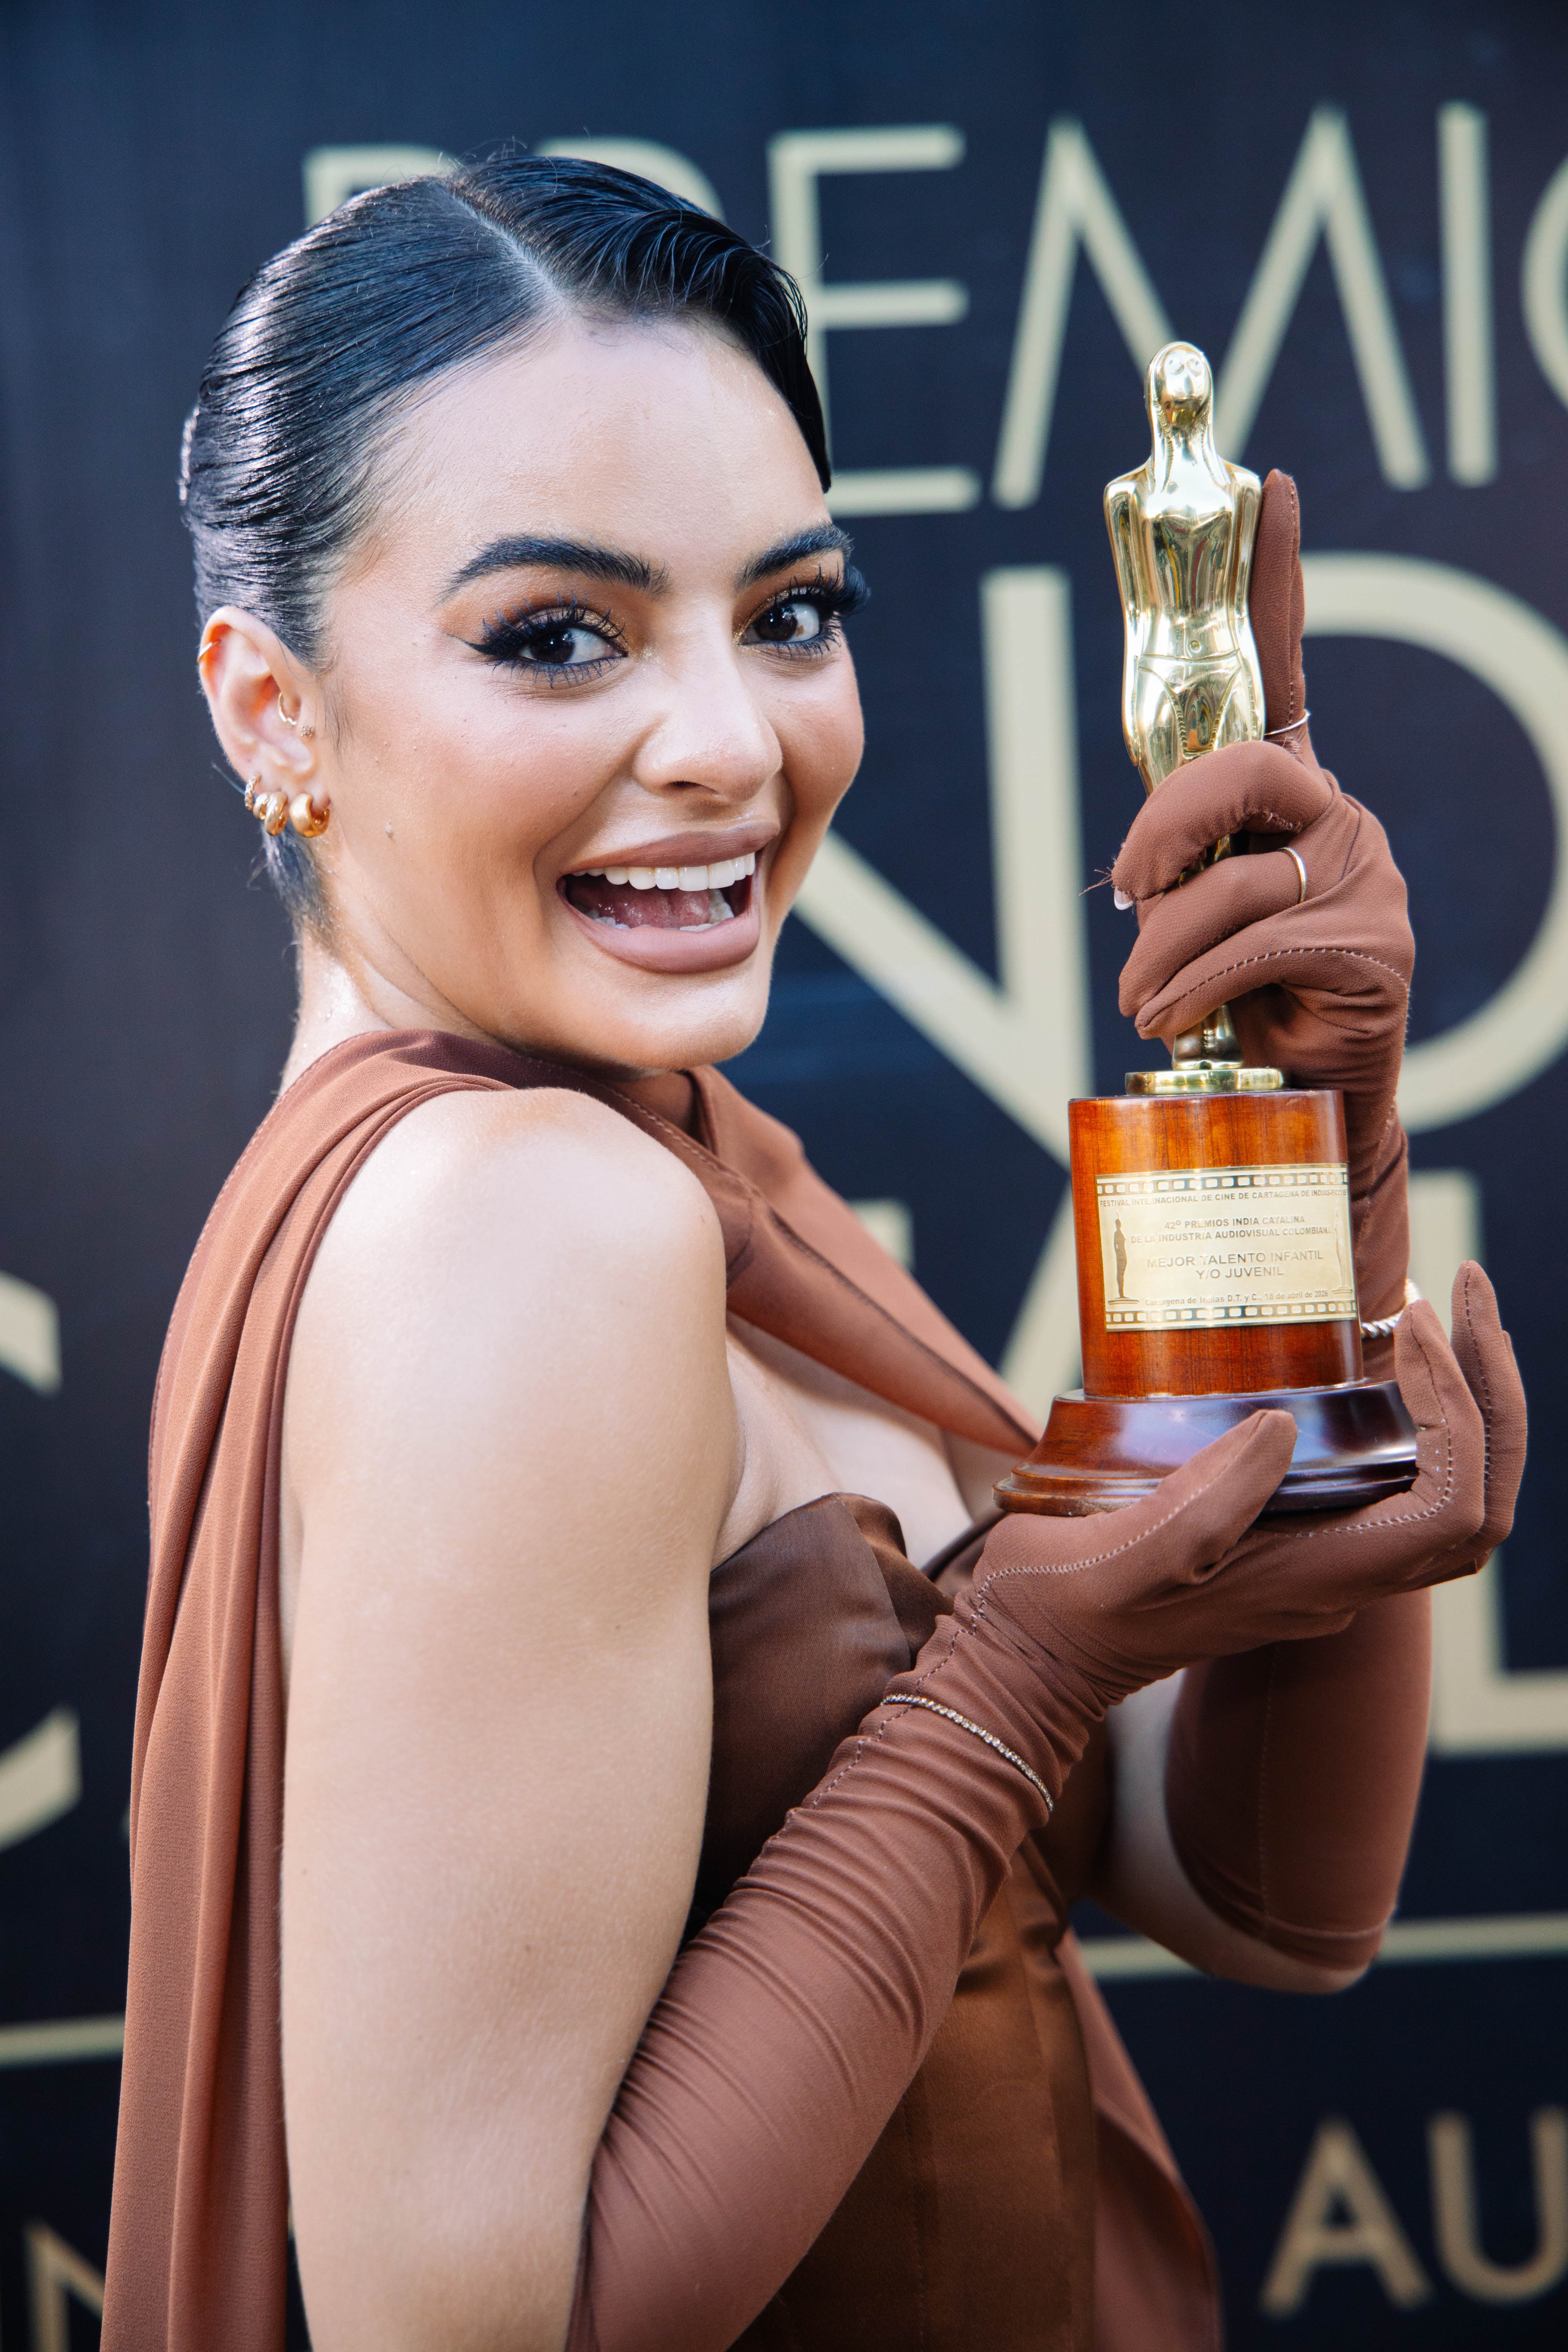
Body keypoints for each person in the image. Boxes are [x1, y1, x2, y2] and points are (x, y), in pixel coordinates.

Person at [103, 158, 1525, 2352]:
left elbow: (1261, 1900)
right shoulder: (525, 1224)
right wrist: (1012, 1677)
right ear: (272, 710)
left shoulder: (692, 1171)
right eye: (557, 634)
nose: (732, 745)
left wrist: (1310, 1138)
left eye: (789, 612)